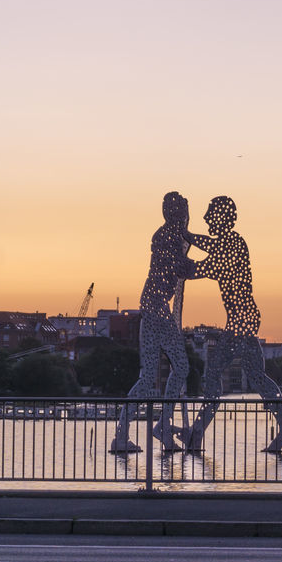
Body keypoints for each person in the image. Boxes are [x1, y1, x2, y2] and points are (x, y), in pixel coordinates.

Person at [183, 195, 282, 454]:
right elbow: (209, 249)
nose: (205, 218)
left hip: (241, 320)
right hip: (242, 318)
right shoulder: (227, 243)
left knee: (213, 372)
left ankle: (197, 434)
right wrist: (188, 238)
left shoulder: (234, 244)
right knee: (256, 376)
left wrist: (185, 252)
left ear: (222, 217)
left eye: (210, 213)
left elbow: (206, 266)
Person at [111, 192, 195, 454]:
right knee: (180, 367)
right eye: (182, 213)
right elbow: (184, 268)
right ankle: (160, 425)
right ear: (174, 214)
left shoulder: (171, 236)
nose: (184, 218)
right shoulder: (167, 237)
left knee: (149, 378)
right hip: (157, 311)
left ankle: (126, 433)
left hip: (154, 310)